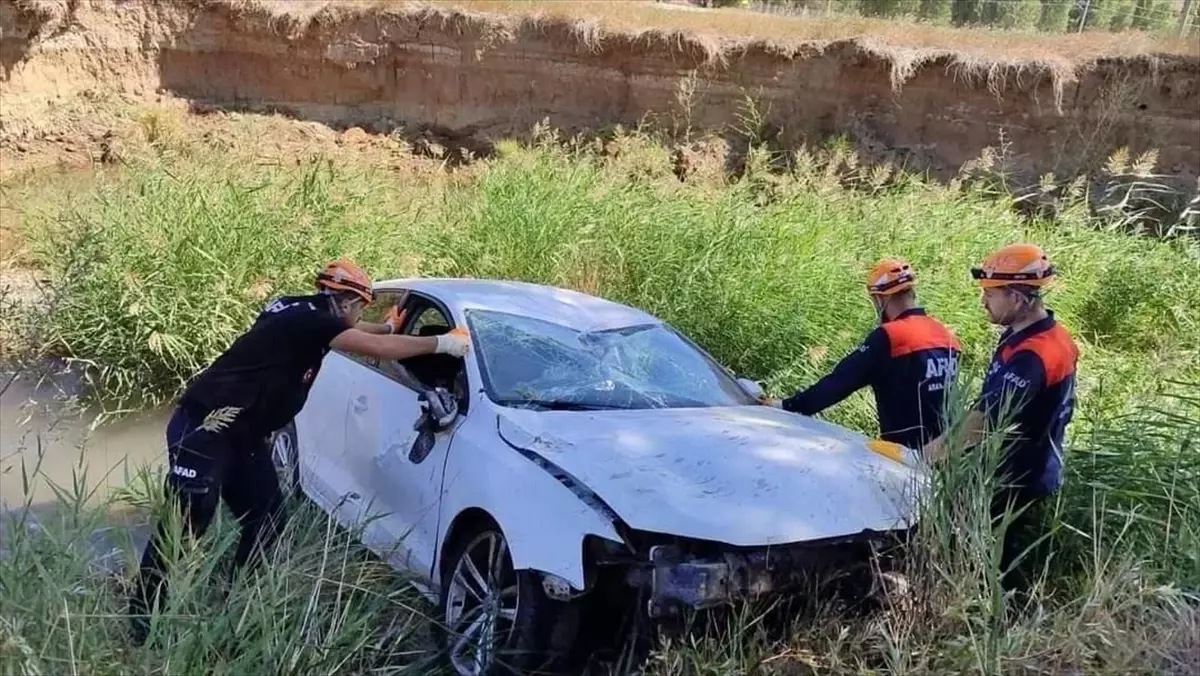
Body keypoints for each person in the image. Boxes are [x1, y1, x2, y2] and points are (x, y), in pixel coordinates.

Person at [127, 259, 470, 645]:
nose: (359, 315)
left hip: (244, 436)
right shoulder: (316, 322)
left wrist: (390, 325)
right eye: (361, 306)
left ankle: (236, 602)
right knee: (187, 523)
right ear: (345, 302)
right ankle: (143, 617)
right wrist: (443, 343)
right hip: (204, 429)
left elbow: (356, 332)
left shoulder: (298, 307)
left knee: (268, 517)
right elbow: (373, 345)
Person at [922, 243, 1079, 595]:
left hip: (1021, 474)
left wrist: (927, 456)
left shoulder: (1036, 353)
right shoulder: (1028, 334)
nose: (983, 302)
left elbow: (987, 418)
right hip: (1014, 466)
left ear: (1019, 297)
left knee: (996, 565)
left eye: (991, 295)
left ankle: (1001, 626)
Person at [764, 258, 961, 451]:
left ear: (880, 298)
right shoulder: (946, 334)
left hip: (904, 456)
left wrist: (787, 405)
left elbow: (839, 383)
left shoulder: (890, 336)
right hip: (947, 452)